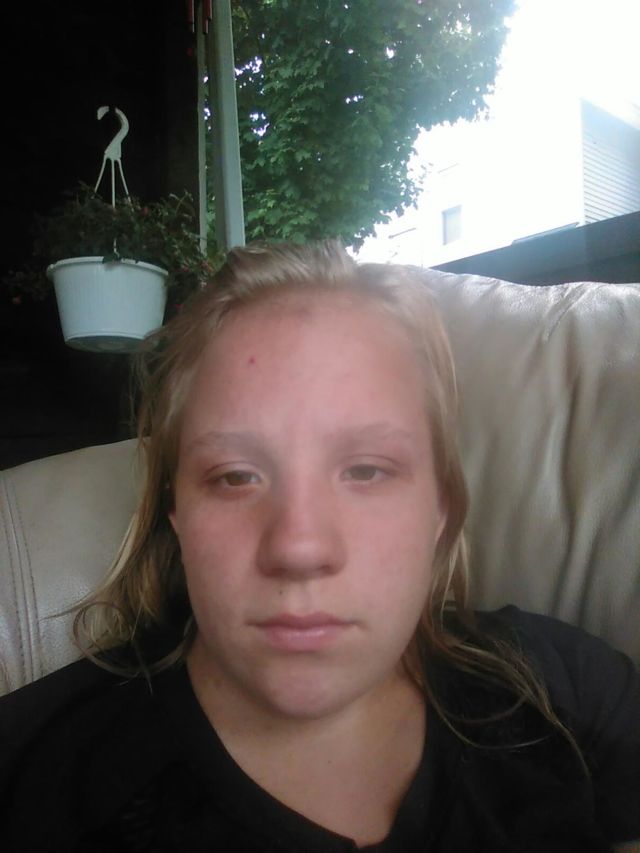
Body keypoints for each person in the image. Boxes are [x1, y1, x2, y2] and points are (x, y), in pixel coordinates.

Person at [0, 241, 638, 852]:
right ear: (177, 512)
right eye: (235, 476)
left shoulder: (567, 693)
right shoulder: (35, 784)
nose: (299, 548)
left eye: (366, 470)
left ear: (440, 508)